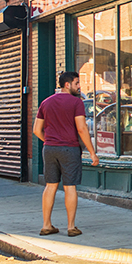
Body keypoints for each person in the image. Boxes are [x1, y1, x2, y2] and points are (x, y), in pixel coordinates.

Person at [32, 71, 99, 237]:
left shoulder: (46, 102)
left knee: (50, 185)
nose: (79, 86)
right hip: (69, 149)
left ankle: (46, 225)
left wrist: (49, 140)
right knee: (70, 187)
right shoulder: (76, 103)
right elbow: (82, 129)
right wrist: (92, 153)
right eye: (77, 83)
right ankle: (71, 227)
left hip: (49, 149)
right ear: (67, 85)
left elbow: (36, 130)